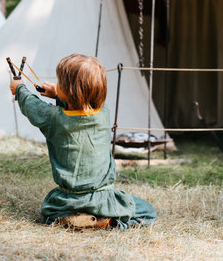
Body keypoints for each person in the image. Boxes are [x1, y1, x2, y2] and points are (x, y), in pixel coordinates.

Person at [9, 53, 157, 230]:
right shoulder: (103, 113)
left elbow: (30, 105)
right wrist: (58, 95)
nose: (57, 85)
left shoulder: (52, 118)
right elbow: (79, 107)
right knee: (147, 211)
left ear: (69, 91)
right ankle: (106, 220)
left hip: (67, 200)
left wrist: (19, 89)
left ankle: (74, 218)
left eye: (60, 83)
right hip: (104, 198)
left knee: (50, 213)